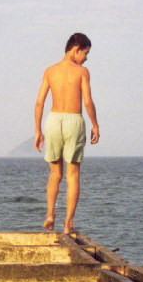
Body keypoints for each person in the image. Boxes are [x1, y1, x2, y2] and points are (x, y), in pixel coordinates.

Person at [33, 33, 100, 234]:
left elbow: (39, 103)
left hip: (53, 120)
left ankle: (50, 215)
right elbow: (87, 101)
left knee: (55, 173)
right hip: (73, 120)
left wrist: (37, 130)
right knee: (73, 174)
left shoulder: (50, 71)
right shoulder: (82, 72)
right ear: (77, 48)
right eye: (86, 53)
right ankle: (68, 223)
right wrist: (95, 124)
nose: (86, 58)